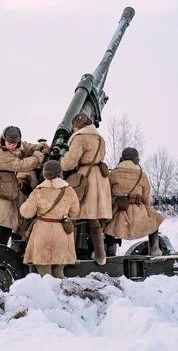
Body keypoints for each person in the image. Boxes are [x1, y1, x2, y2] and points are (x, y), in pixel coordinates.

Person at [0, 126, 48, 245]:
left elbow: (25, 147)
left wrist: (38, 146)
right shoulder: (0, 154)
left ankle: (1, 248)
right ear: (4, 140)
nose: (11, 146)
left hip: (6, 185)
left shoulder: (15, 145)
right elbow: (22, 165)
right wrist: (38, 157)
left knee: (9, 219)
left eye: (14, 144)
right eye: (9, 143)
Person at [61, 113, 112, 265]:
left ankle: (70, 255)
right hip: (100, 179)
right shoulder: (99, 138)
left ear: (77, 126)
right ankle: (100, 254)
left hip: (85, 179)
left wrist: (62, 163)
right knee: (93, 218)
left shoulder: (80, 137)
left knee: (73, 215)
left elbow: (69, 162)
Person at [20, 160, 79, 278]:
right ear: (59, 173)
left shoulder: (39, 191)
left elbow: (26, 212)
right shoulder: (69, 190)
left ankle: (47, 293)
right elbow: (75, 212)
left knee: (44, 274)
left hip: (42, 233)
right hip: (61, 233)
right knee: (59, 271)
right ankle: (60, 294)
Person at [104, 147, 164, 255]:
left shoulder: (113, 173)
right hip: (137, 210)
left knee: (108, 227)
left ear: (121, 158)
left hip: (117, 211)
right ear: (136, 159)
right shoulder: (142, 175)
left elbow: (106, 194)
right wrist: (145, 210)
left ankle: (110, 251)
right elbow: (146, 197)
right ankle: (154, 249)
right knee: (155, 220)